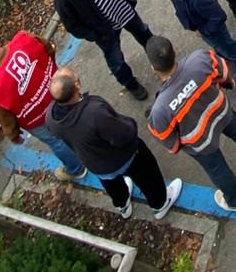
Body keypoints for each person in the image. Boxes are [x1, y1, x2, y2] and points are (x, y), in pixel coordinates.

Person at [146, 34, 236, 215]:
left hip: (200, 141)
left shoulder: (159, 110)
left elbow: (172, 145)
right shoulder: (200, 58)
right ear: (174, 52)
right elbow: (225, 76)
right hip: (221, 111)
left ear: (153, 68)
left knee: (217, 168)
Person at [48, 68, 182, 219]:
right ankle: (160, 204)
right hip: (124, 157)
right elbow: (123, 135)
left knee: (113, 185)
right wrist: (131, 124)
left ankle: (122, 204)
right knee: (148, 177)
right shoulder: (94, 111)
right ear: (77, 85)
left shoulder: (51, 117)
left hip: (96, 165)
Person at [0, 30, 86, 181]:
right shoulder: (24, 38)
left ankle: (76, 169)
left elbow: (6, 119)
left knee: (56, 142)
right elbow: (48, 49)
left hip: (38, 119)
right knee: (77, 114)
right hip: (59, 92)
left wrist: (14, 135)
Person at [53, 0, 155, 102]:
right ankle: (130, 84)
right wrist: (95, 35)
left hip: (124, 10)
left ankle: (158, 58)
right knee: (116, 61)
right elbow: (73, 26)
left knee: (144, 33)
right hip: (105, 32)